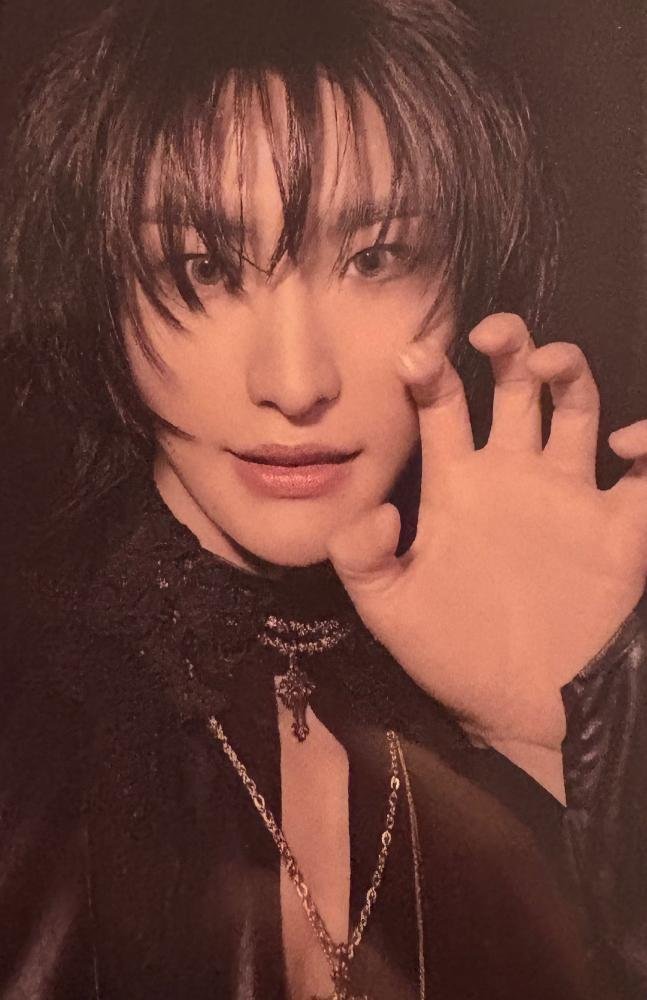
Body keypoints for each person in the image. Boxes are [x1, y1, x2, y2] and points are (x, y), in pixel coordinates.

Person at [1, 0, 646, 997]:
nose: (295, 383)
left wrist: (560, 745)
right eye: (201, 268)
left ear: (465, 276)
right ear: (99, 296)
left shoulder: (550, 686)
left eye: (374, 258)